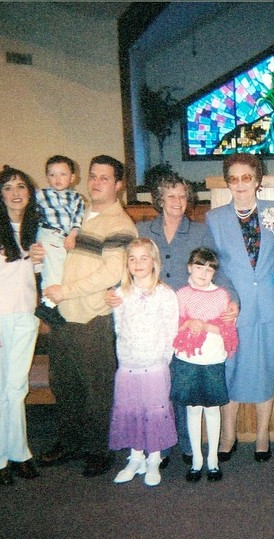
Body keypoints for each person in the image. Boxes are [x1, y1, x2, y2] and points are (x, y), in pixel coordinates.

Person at [106, 172, 238, 469]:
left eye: (182, 196)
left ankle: (188, 446)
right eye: (171, 196)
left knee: (179, 384)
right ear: (160, 200)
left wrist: (233, 301)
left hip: (187, 318)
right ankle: (160, 447)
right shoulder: (143, 228)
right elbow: (128, 264)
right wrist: (113, 291)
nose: (177, 201)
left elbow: (218, 268)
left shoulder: (200, 231)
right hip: (150, 317)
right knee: (156, 385)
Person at [37, 155, 137, 478]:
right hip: (62, 316)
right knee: (64, 384)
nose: (96, 182)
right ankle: (70, 442)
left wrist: (66, 291)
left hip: (91, 317)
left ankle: (97, 449)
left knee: (97, 388)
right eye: (93, 176)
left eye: (104, 178)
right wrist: (37, 254)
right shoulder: (76, 212)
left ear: (118, 185)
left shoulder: (119, 223)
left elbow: (111, 271)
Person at [206, 153, 274, 463]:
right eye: (233, 179)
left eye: (246, 177)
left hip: (269, 303)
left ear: (257, 181)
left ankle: (263, 434)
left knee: (266, 367)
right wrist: (229, 295)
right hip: (232, 306)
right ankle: (229, 434)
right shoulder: (215, 218)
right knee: (231, 369)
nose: (240, 184)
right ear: (228, 183)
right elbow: (213, 265)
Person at [0, 165, 44, 485]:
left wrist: (39, 260)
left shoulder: (33, 225)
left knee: (17, 388)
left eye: (21, 186)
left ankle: (19, 453)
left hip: (25, 317)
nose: (16, 193)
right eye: (8, 187)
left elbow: (32, 273)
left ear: (29, 192)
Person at [109, 238, 179, 487]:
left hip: (155, 364)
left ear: (154, 262)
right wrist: (125, 355)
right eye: (132, 258)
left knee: (153, 411)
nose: (137, 263)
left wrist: (162, 359)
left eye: (143, 258)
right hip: (128, 364)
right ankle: (136, 457)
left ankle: (154, 459)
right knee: (132, 410)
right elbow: (119, 327)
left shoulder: (165, 294)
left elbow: (171, 331)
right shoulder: (120, 294)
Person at [171, 248, 238, 482]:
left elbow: (228, 329)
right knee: (192, 409)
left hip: (212, 359)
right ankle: (196, 460)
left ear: (215, 273)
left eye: (209, 269)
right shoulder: (181, 294)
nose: (203, 273)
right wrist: (188, 324)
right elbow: (172, 325)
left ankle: (213, 460)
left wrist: (206, 326)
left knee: (212, 409)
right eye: (199, 267)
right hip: (188, 360)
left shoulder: (221, 295)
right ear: (189, 267)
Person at [33, 155, 85, 328]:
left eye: (62, 174)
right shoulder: (41, 195)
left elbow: (78, 219)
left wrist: (72, 235)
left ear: (72, 177)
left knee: (60, 269)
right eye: (52, 174)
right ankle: (48, 305)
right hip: (48, 233)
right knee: (54, 269)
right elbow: (29, 214)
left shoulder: (77, 198)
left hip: (65, 237)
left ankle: (49, 304)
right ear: (47, 177)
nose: (57, 178)